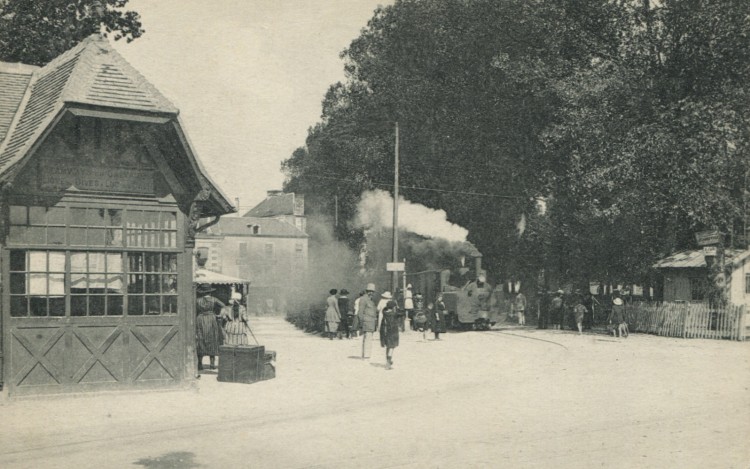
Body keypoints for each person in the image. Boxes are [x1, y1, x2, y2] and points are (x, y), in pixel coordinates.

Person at [195, 283, 225, 371]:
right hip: (211, 319)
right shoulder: (214, 299)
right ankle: (212, 364)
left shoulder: (197, 300)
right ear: (210, 292)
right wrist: (220, 315)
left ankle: (199, 364)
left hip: (200, 319)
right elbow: (224, 306)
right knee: (213, 339)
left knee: (200, 340)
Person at [378, 291, 403, 370]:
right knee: (392, 346)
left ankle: (388, 360)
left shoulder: (384, 311)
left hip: (385, 330)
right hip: (392, 331)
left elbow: (379, 309)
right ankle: (388, 362)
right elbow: (401, 313)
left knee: (388, 346)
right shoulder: (393, 314)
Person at [357, 283, 378, 359]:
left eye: (372, 291)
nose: (371, 293)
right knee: (367, 339)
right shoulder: (363, 299)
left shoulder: (370, 300)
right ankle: (366, 356)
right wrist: (361, 323)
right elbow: (360, 312)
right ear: (366, 291)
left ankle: (366, 355)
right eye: (369, 291)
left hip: (371, 322)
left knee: (368, 339)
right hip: (366, 322)